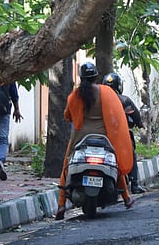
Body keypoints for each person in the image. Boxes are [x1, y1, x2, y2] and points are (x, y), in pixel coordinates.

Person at [56, 61, 135, 220]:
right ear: (96, 76)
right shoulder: (106, 92)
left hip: (80, 136)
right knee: (115, 162)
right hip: (104, 136)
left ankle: (61, 205)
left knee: (67, 166)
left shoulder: (74, 96)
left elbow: (67, 115)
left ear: (81, 77)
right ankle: (127, 198)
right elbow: (116, 114)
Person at [103, 72, 146, 194]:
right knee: (131, 154)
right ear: (119, 85)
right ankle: (135, 184)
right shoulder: (124, 100)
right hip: (121, 137)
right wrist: (140, 124)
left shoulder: (98, 100)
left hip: (102, 135)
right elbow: (136, 116)